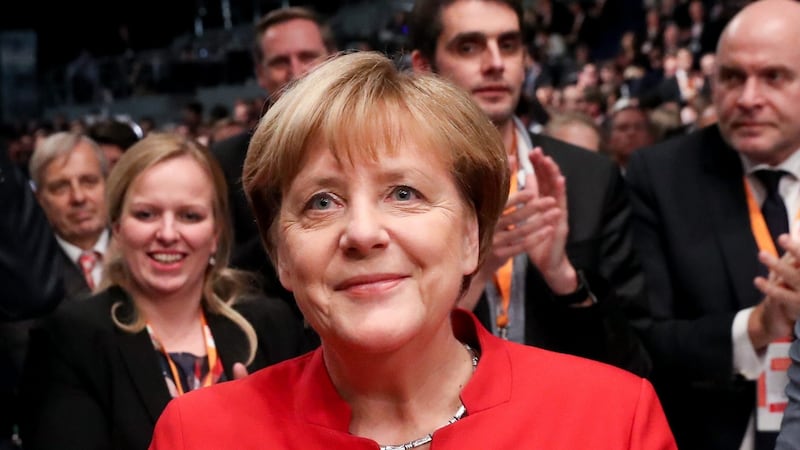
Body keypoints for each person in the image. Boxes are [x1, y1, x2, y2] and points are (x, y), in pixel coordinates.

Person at [148, 50, 675, 450]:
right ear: (280, 253)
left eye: (404, 193)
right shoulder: (200, 435)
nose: (362, 232)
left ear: (472, 236)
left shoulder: (611, 419)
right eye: (321, 202)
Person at [408, 0, 650, 376]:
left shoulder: (590, 177)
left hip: (566, 416)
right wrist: (477, 274)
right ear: (424, 67)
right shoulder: (398, 186)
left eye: (508, 45)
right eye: (469, 47)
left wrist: (564, 278)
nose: (495, 63)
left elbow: (636, 361)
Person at [20, 133, 303, 450]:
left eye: (189, 216)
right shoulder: (71, 338)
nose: (168, 233)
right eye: (146, 214)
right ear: (117, 227)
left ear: (215, 234)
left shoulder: (270, 325)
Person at [625, 1, 800, 448]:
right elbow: (643, 341)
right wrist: (759, 326)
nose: (747, 98)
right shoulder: (662, 176)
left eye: (774, 77)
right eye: (732, 77)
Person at [211, 7, 336, 349]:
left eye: (307, 56)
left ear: (332, 58)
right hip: (263, 346)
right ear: (260, 74)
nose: (295, 72)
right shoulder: (224, 162)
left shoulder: (375, 143)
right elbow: (223, 267)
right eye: (280, 61)